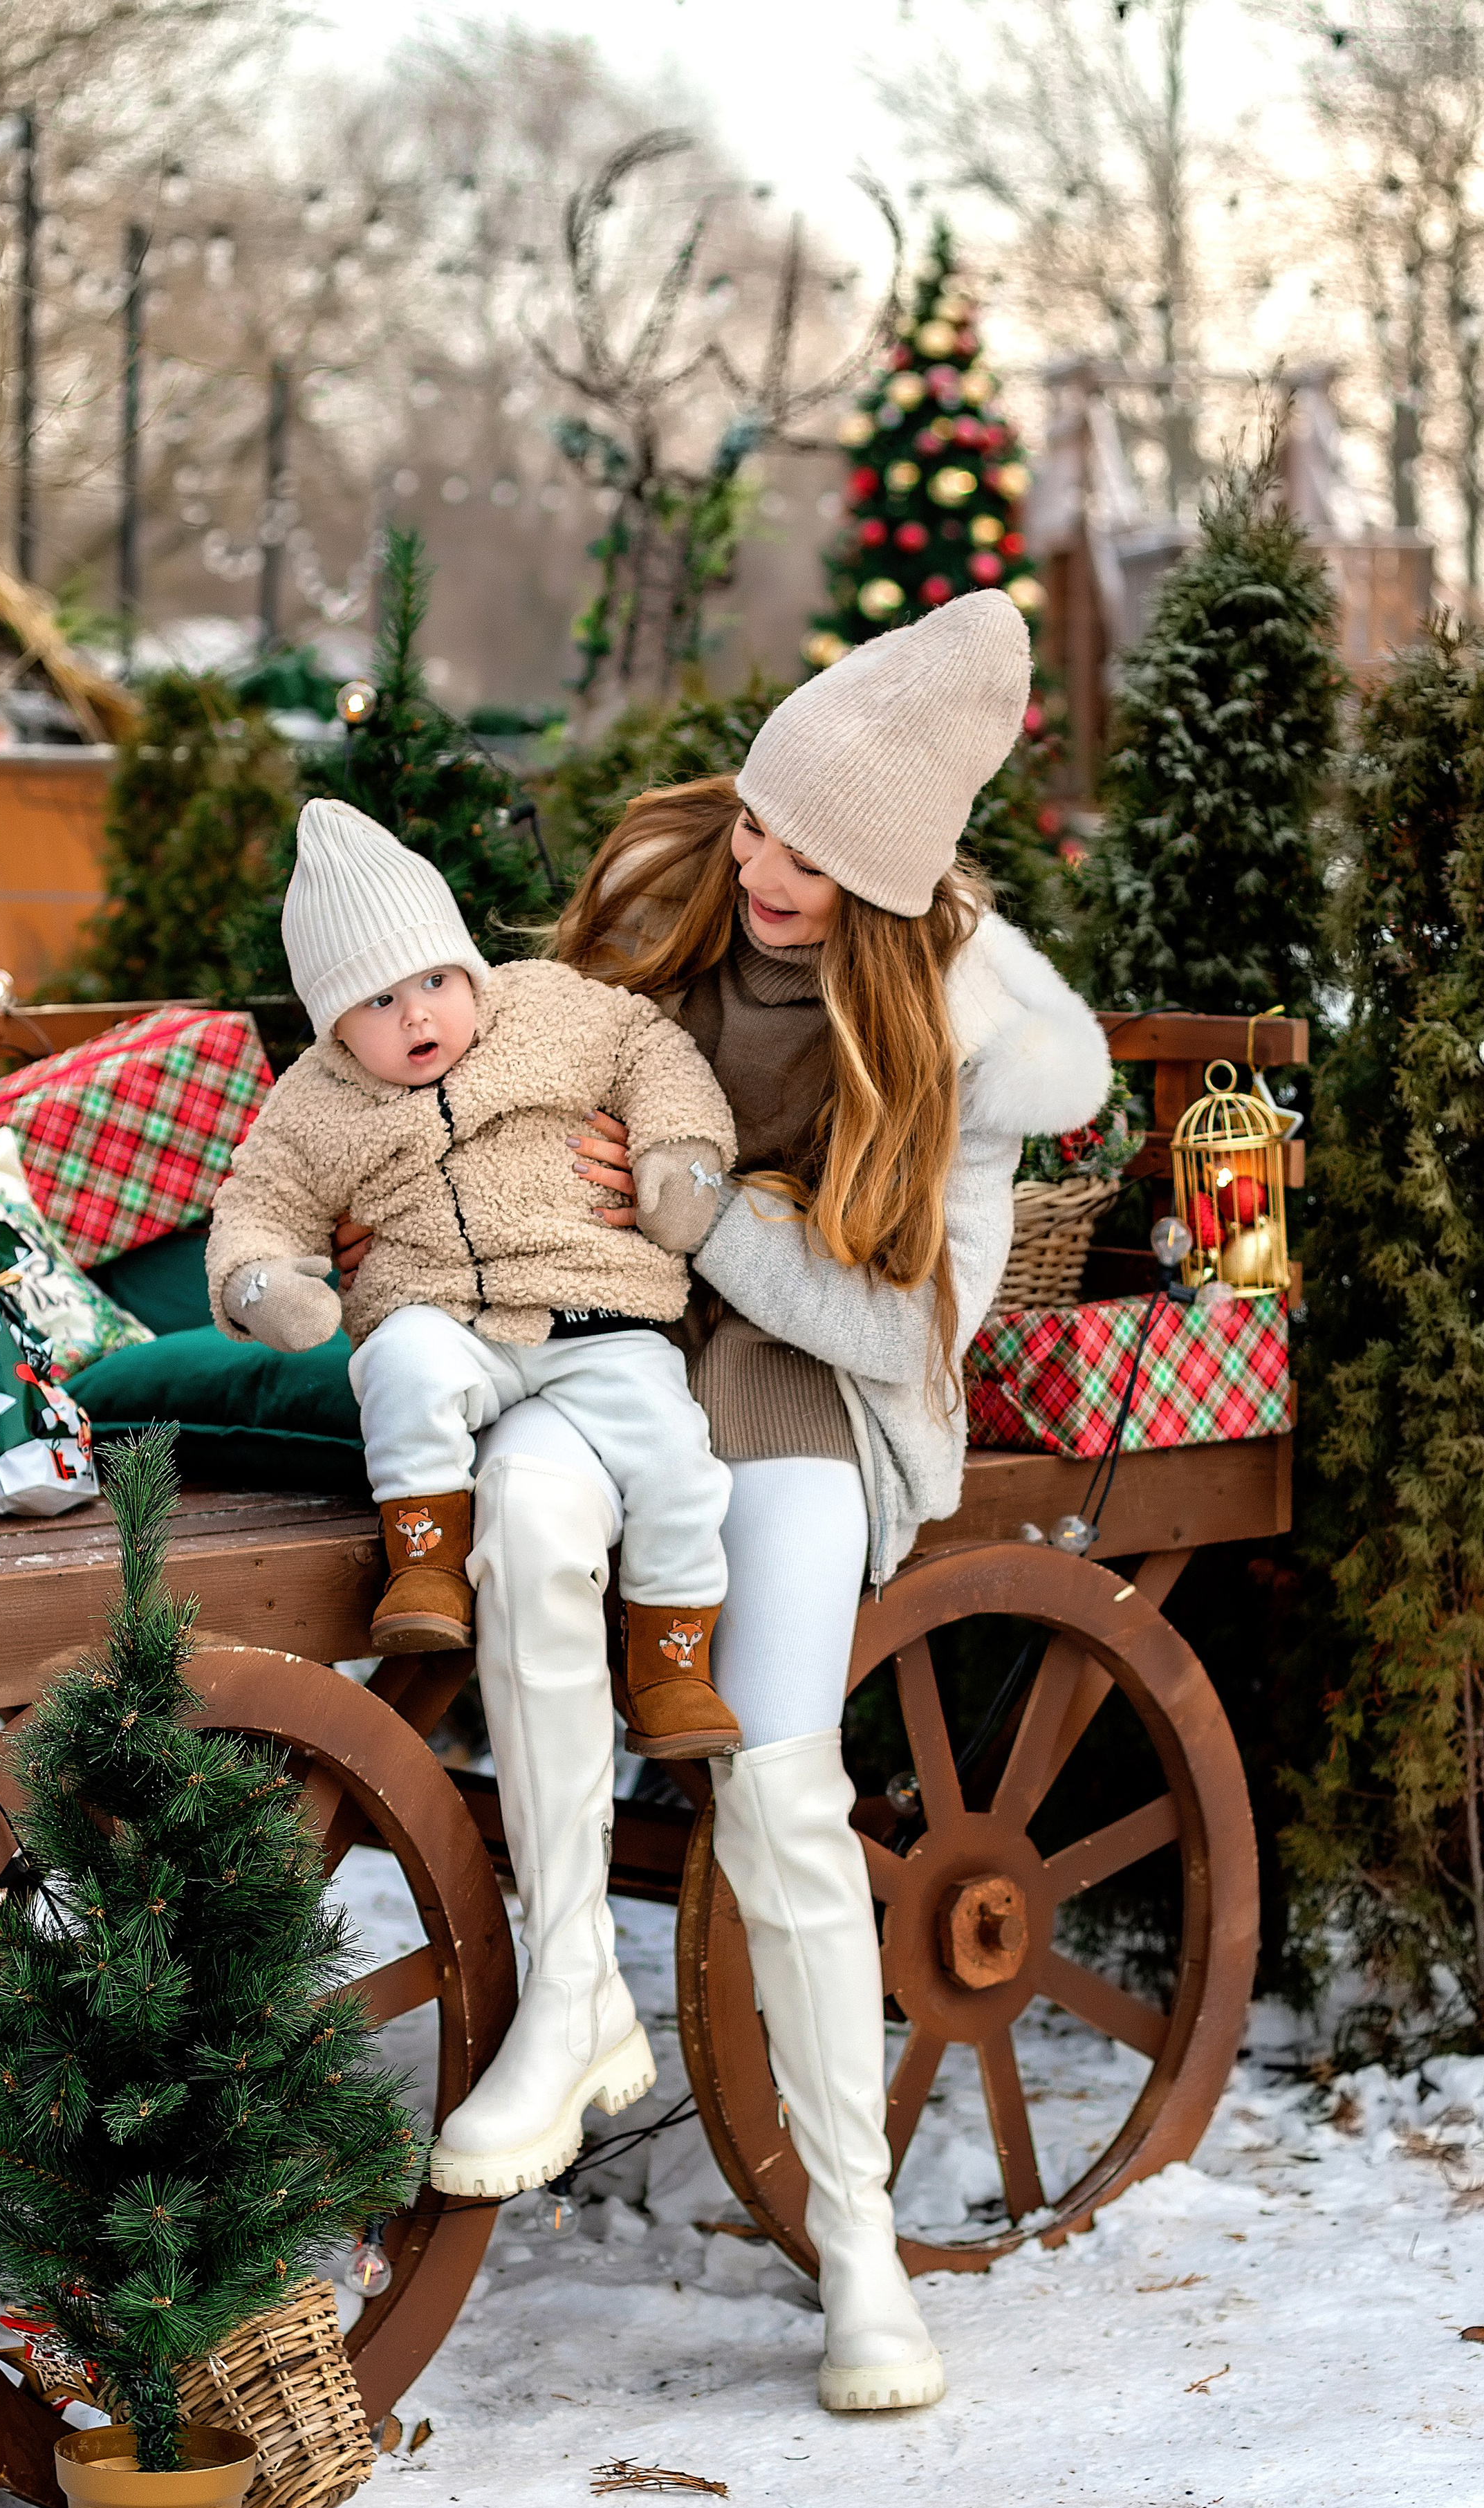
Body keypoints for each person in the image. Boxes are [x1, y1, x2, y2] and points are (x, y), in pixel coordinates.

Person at [353, 591, 1112, 2414]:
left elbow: (900, 1328)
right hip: (600, 1355)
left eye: (820, 855)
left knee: (774, 1782)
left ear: (903, 872)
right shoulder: (663, 912)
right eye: (766, 822)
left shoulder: (959, 1045)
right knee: (530, 1529)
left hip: (800, 1404)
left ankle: (858, 2248)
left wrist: (713, 1220)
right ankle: (569, 2002)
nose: (772, 870)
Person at [206, 799, 745, 1830]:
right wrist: (261, 1282)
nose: (417, 1016)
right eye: (378, 1001)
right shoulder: (315, 1102)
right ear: (330, 1026)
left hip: (600, 1314)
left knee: (678, 1458)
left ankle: (673, 1662)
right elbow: (258, 1200)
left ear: (469, 971)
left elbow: (654, 1052)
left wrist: (679, 1155)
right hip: (450, 1317)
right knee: (399, 1362)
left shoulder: (550, 1010)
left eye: (435, 982)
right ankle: (425, 1561)